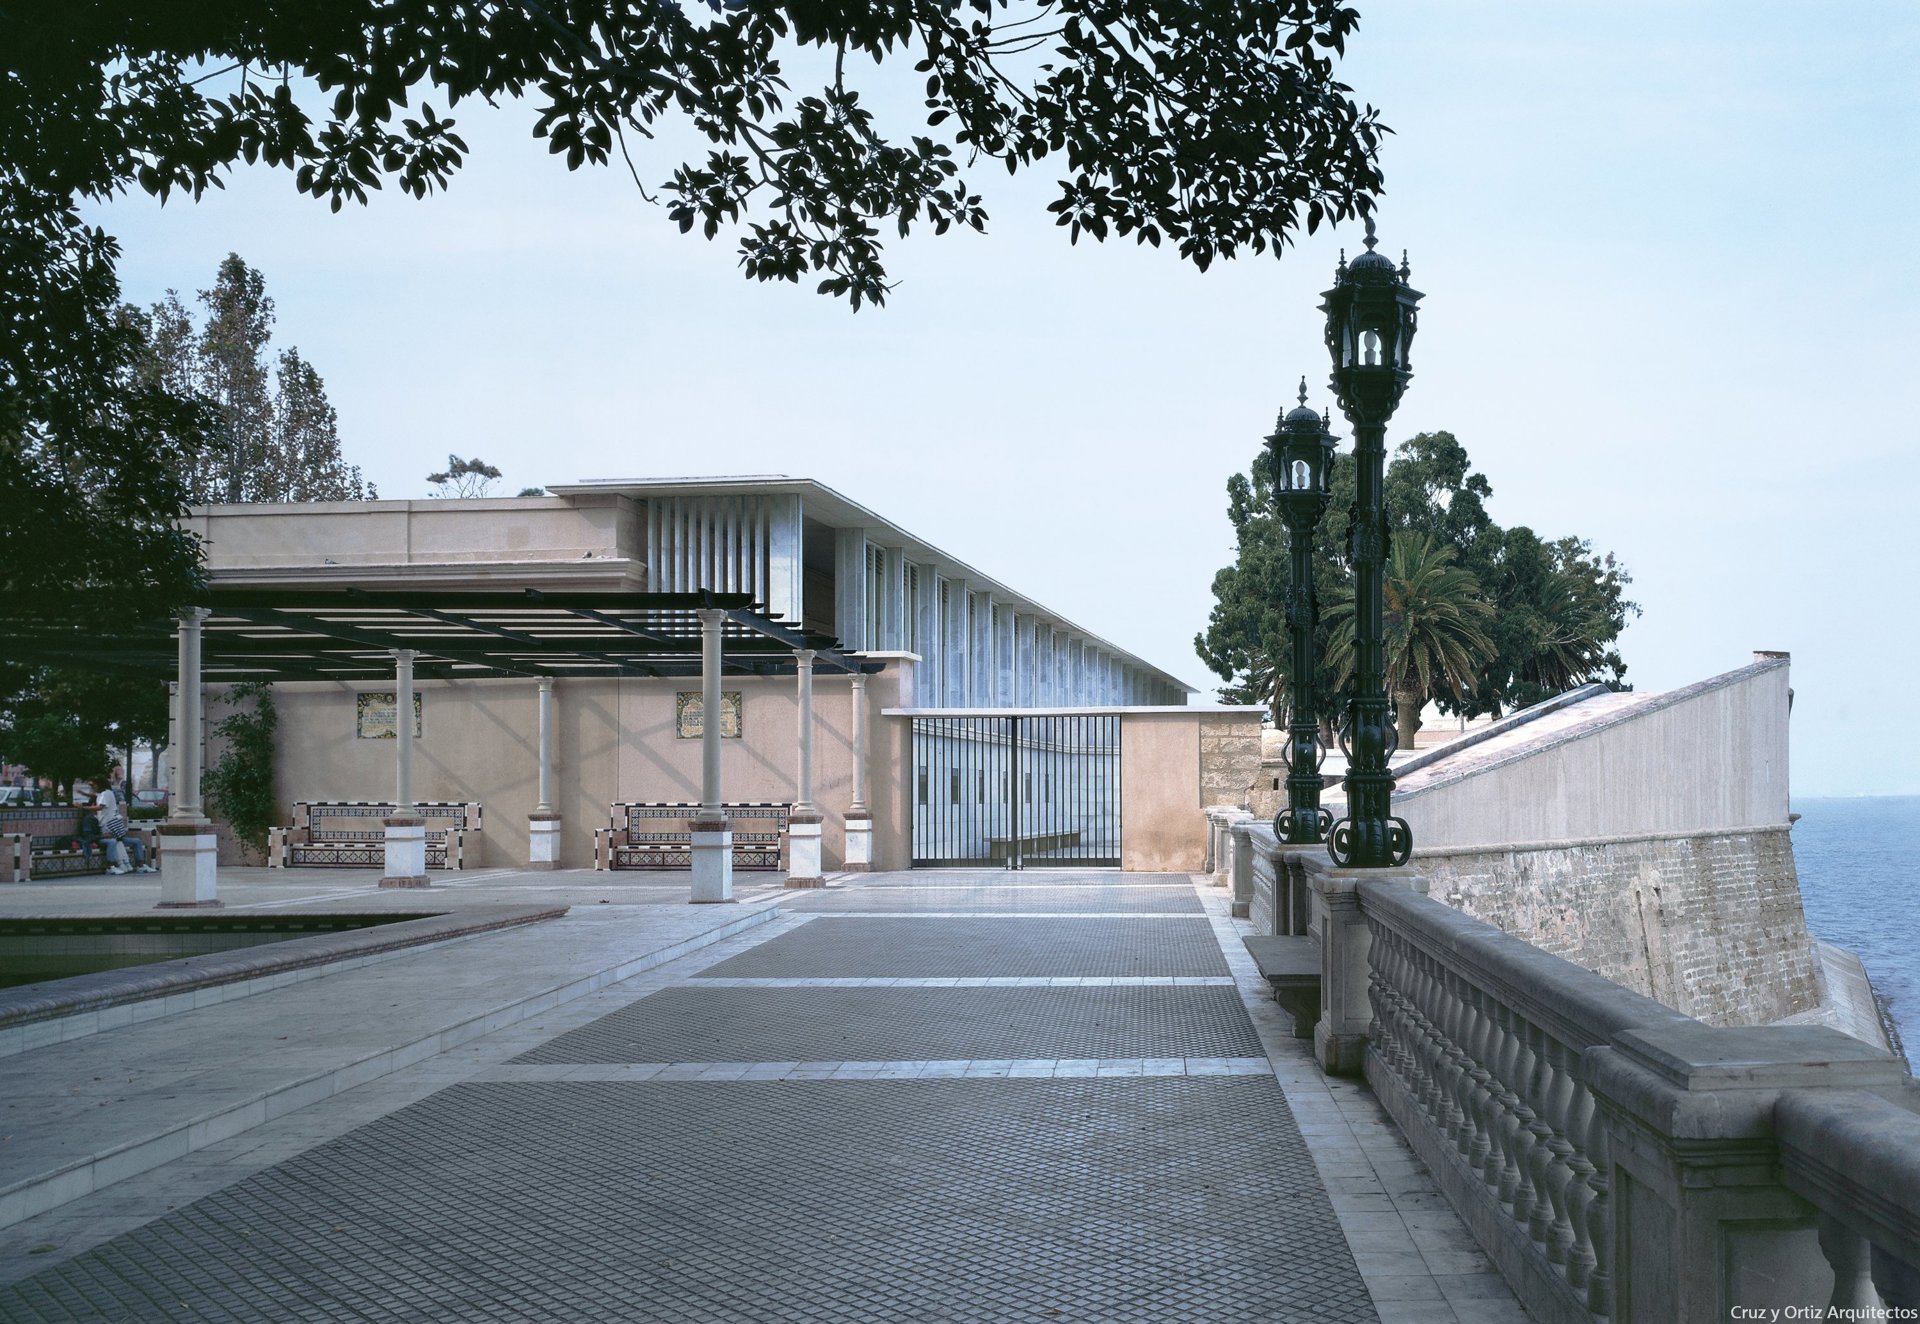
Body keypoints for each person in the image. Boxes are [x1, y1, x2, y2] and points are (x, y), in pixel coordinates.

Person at [95, 786, 154, 874]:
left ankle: (140, 865)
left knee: (136, 841)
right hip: (106, 837)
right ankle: (111, 866)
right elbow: (91, 834)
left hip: (115, 836)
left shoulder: (106, 797)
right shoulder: (96, 819)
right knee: (113, 842)